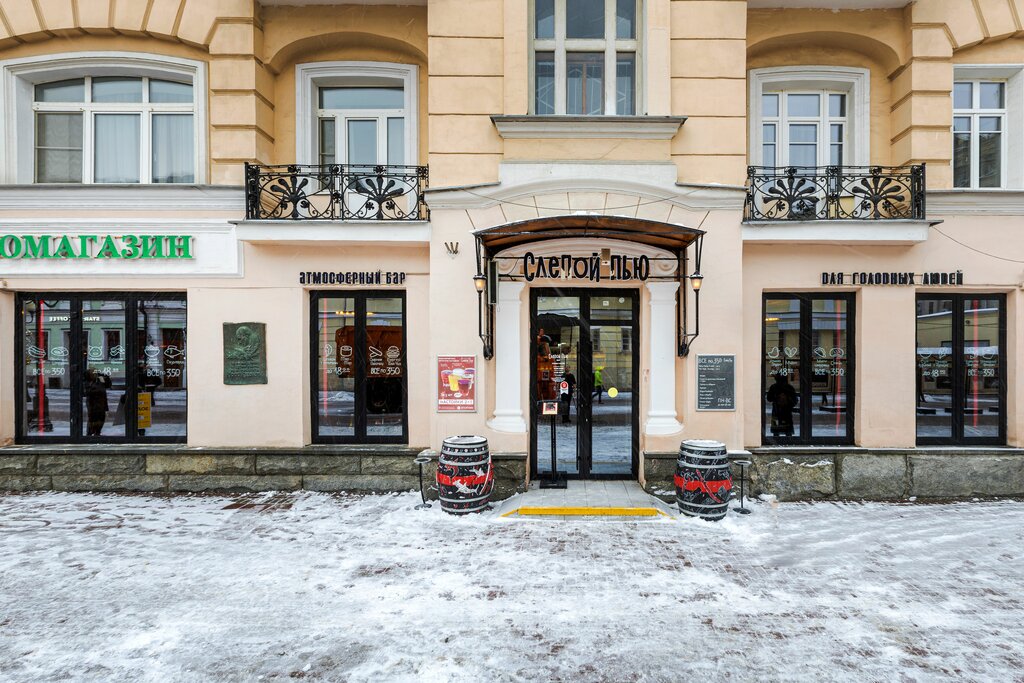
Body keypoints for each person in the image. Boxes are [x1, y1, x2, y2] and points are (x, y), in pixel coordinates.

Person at [766, 373, 797, 438]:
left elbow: (769, 398)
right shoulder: (789, 388)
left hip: (776, 411)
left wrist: (776, 398)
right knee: (787, 431)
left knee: (776, 431)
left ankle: (776, 441)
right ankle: (789, 441)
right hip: (787, 412)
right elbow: (795, 401)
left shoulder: (774, 387)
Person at [84, 368, 111, 436]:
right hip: (93, 403)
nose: (95, 374)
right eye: (93, 373)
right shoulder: (88, 382)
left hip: (101, 402)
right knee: (93, 418)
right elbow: (87, 392)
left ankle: (97, 432)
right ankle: (90, 432)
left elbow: (108, 385)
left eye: (95, 372)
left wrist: (105, 377)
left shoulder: (99, 379)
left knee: (101, 417)